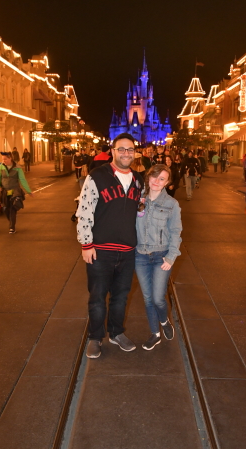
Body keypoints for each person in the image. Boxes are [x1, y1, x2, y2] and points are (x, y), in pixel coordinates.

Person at [76, 133, 144, 359]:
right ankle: (95, 337)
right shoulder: (97, 176)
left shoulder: (138, 180)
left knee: (121, 296)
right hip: (100, 249)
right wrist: (86, 244)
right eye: (121, 149)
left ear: (135, 152)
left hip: (127, 250)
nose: (126, 153)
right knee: (97, 297)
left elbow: (140, 209)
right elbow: (84, 211)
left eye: (130, 149)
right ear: (112, 152)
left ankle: (116, 332)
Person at [135, 164, 182, 350]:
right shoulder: (137, 199)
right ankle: (155, 334)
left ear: (167, 182)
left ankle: (164, 321)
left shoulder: (172, 204)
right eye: (154, 177)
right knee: (147, 299)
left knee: (157, 298)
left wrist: (171, 257)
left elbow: (176, 232)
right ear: (148, 177)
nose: (157, 181)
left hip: (162, 256)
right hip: (140, 255)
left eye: (162, 178)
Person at [0, 152, 32, 234]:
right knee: (5, 208)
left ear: (10, 158)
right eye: (2, 159)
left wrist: (28, 191)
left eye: (5, 159)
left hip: (14, 190)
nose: (3, 160)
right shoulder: (0, 167)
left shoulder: (17, 168)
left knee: (12, 208)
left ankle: (12, 226)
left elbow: (22, 180)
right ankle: (11, 222)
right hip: (5, 191)